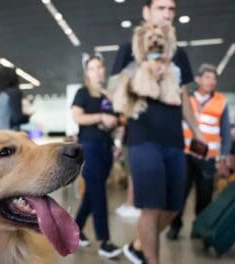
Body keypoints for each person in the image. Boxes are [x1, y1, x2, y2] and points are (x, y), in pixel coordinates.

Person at [111, 1, 203, 263]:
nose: (167, 14)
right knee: (151, 208)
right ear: (146, 11)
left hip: (175, 139)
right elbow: (118, 94)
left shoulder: (179, 54)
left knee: (174, 208)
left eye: (171, 9)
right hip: (142, 140)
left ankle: (139, 246)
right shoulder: (129, 50)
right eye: (161, 8)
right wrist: (146, 73)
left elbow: (184, 96)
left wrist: (196, 131)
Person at [167, 64, 231, 240]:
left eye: (214, 78)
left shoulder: (221, 101)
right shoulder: (186, 98)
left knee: (205, 195)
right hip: (185, 154)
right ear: (198, 79)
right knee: (180, 193)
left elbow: (225, 131)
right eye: (208, 77)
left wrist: (223, 156)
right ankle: (175, 225)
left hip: (208, 156)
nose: (211, 81)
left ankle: (199, 227)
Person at [72, 55, 122, 259]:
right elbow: (77, 117)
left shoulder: (109, 95)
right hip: (89, 146)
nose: (97, 71)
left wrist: (114, 127)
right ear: (87, 73)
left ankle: (75, 228)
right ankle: (105, 241)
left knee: (93, 193)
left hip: (106, 147)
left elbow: (119, 119)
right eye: (92, 68)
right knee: (99, 192)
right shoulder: (82, 93)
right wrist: (100, 117)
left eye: (100, 67)